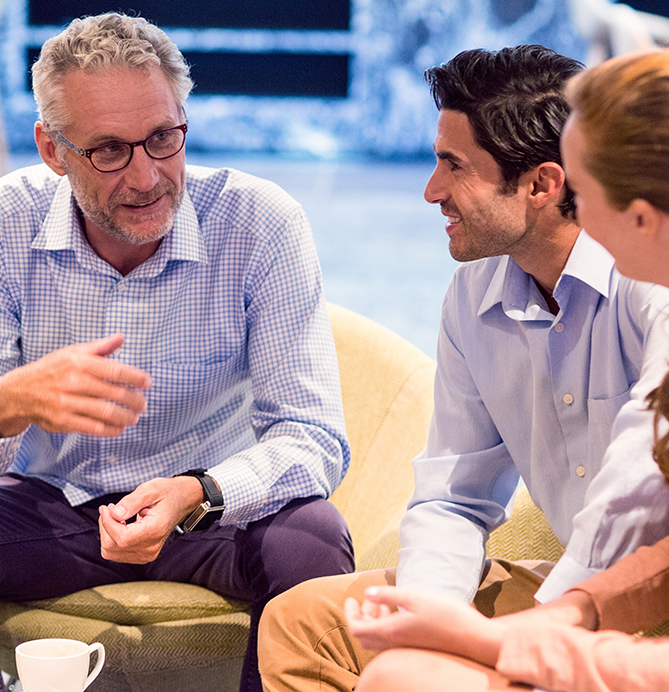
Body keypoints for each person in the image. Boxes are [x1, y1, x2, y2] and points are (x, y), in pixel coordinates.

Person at [0, 12, 353, 692]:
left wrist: (200, 492)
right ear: (52, 148)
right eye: (108, 151)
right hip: (50, 507)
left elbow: (313, 437)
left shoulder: (259, 223)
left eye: (162, 138)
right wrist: (9, 403)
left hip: (205, 511)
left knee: (314, 538)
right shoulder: (1, 225)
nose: (147, 176)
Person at [258, 45, 669, 692]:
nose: (431, 191)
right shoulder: (474, 294)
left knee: (403, 678)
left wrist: (529, 635)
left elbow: (634, 493)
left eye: (454, 165)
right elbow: (453, 494)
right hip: (596, 591)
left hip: (628, 601)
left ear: (544, 185)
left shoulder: (650, 281)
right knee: (307, 621)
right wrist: (432, 618)